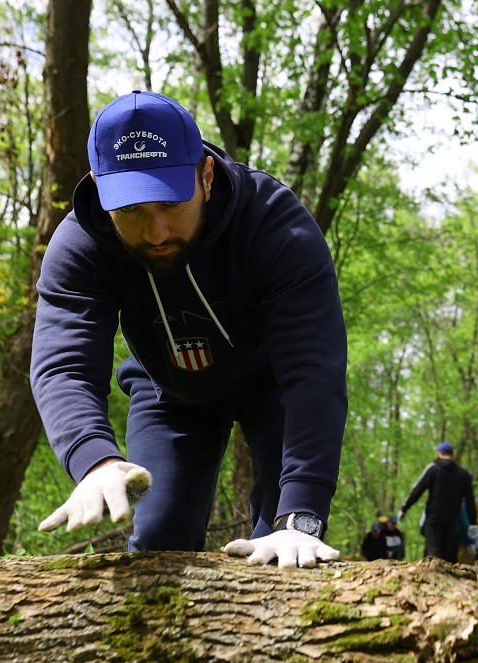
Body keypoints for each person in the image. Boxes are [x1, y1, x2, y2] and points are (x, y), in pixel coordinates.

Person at [30, 90, 347, 568]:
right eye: (132, 209)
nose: (157, 232)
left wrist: (301, 515)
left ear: (206, 174)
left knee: (280, 552)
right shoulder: (79, 247)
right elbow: (64, 365)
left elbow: (314, 372)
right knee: (159, 545)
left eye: (171, 203)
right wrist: (94, 459)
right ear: (99, 189)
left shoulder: (276, 226)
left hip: (274, 383)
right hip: (168, 388)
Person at [400, 442, 478, 563]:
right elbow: (470, 500)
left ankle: (433, 580)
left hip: (433, 520)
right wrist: (473, 523)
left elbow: (417, 490)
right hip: (452, 521)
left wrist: (404, 508)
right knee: (445, 557)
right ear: (453, 455)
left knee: (434, 555)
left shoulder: (433, 469)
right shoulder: (463, 474)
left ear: (438, 454)